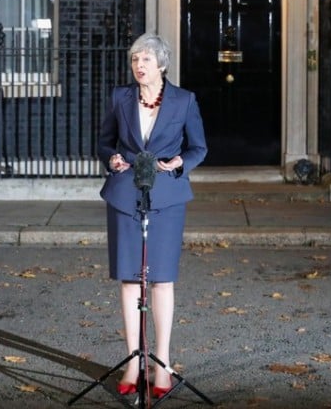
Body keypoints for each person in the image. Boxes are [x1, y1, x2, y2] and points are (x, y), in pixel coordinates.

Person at [97, 31, 208, 398]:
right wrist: (112, 158)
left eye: (145, 59)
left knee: (161, 279)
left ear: (161, 64)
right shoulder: (120, 97)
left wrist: (179, 163)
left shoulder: (184, 100)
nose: (138, 65)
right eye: (134, 59)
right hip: (124, 195)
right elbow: (104, 142)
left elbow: (198, 147)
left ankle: (162, 364)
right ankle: (133, 361)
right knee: (130, 279)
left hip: (167, 197)